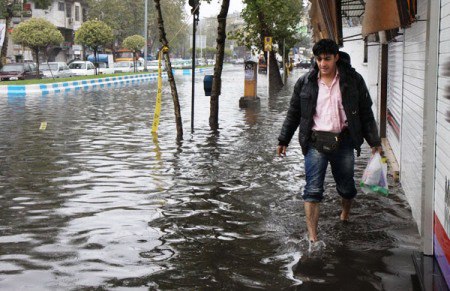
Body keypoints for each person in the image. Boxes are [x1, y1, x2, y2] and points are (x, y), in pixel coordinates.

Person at [276, 39, 382, 243]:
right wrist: (284, 139)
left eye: (327, 59)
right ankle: (313, 239)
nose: (322, 63)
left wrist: (374, 141)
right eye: (319, 59)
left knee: (347, 188)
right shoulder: (305, 82)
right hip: (315, 142)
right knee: (312, 190)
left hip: (344, 142)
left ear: (336, 58)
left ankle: (344, 215)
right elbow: (294, 113)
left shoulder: (353, 80)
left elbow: (365, 112)